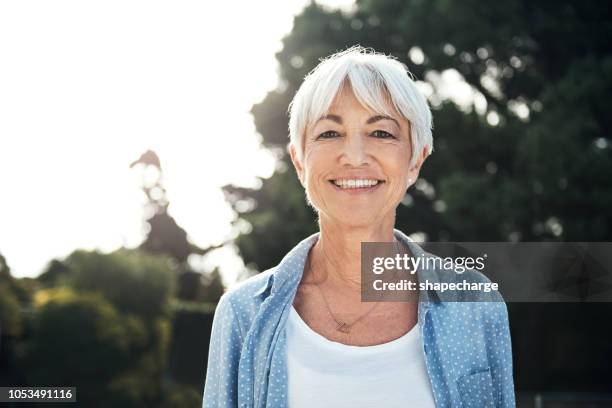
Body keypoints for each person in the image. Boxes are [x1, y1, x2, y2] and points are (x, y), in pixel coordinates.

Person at [202, 46, 515, 407]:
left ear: (415, 160)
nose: (354, 156)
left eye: (382, 133)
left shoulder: (475, 304)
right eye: (329, 134)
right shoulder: (243, 313)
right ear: (299, 161)